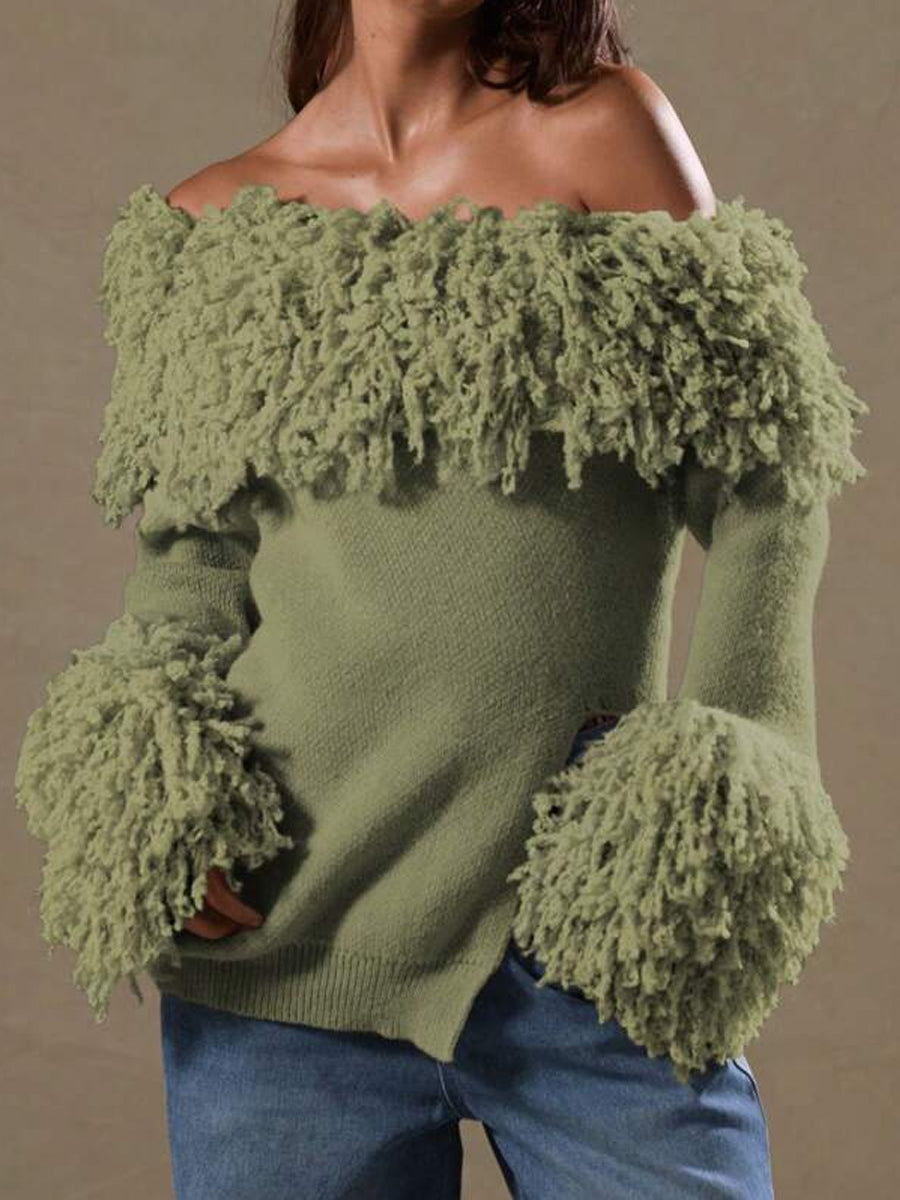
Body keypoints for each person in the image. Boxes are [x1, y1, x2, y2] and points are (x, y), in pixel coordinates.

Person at [14, 1, 869, 1196]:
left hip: (583, 938)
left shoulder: (603, 131)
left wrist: (726, 765)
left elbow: (766, 466)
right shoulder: (213, 224)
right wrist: (161, 798)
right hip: (284, 948)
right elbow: (193, 565)